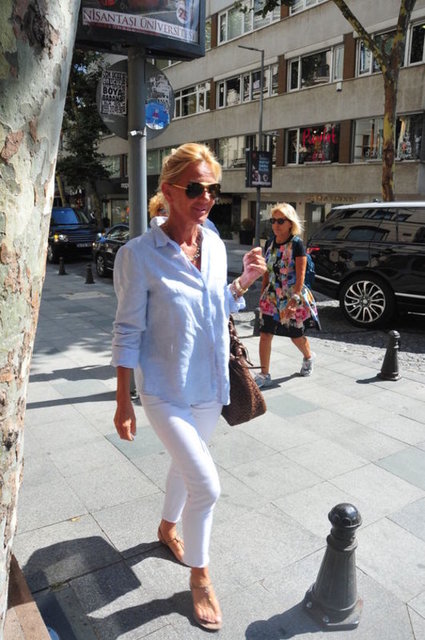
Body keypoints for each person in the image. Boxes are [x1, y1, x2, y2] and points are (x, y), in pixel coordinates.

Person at [111, 142, 266, 631]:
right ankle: (200, 576)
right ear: (169, 190)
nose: (206, 198)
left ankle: (166, 527)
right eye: (195, 188)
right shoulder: (139, 255)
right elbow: (127, 330)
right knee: (207, 486)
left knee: (186, 466)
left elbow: (215, 307)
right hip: (163, 387)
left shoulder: (214, 244)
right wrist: (122, 401)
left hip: (209, 383)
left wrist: (243, 283)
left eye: (212, 189)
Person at [255, 202, 320, 388]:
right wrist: (262, 293)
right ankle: (264, 374)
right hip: (271, 296)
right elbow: (267, 271)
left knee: (295, 335)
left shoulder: (297, 244)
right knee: (265, 334)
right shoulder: (270, 242)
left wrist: (295, 300)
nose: (276, 225)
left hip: (291, 296)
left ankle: (308, 357)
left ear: (290, 223)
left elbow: (300, 276)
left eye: (280, 221)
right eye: (273, 221)